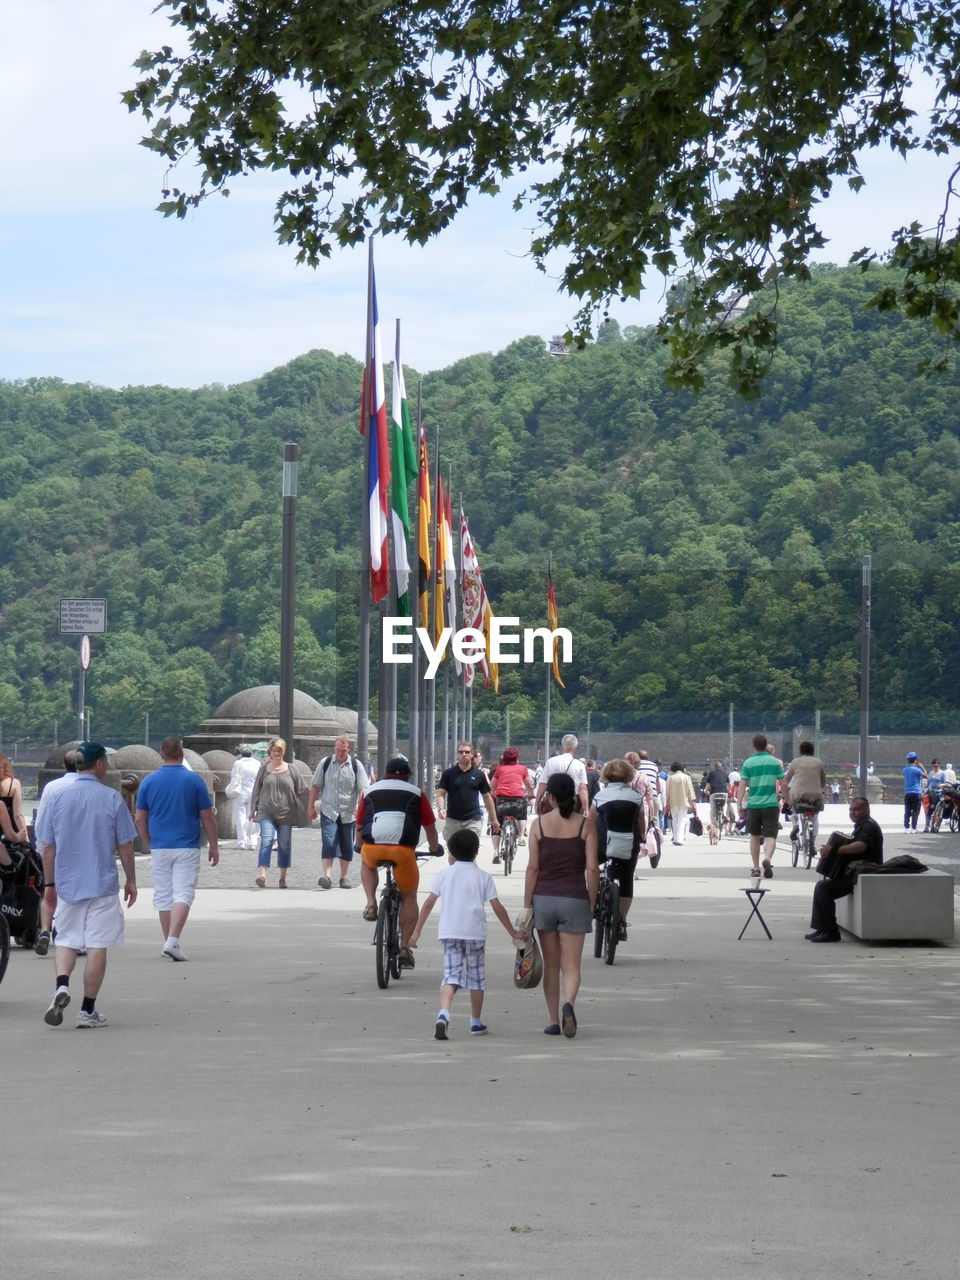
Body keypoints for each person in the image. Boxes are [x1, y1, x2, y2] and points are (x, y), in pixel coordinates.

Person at [35, 741, 138, 1029]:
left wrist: (50, 882)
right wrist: (131, 879)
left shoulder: (56, 797)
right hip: (101, 883)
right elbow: (125, 845)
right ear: (100, 764)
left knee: (66, 939)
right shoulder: (111, 798)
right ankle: (87, 1010)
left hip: (68, 882)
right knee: (96, 945)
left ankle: (61, 985)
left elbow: (46, 846)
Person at [409, 828, 525, 1039]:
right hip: (474, 934)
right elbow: (498, 907)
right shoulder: (483, 877)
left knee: (450, 976)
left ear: (451, 853)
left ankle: (443, 1013)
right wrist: (512, 932)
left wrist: (416, 932)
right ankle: (475, 1022)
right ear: (475, 853)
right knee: (476, 979)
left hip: (450, 933)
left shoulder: (443, 875)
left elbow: (427, 904)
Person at [524, 772, 598, 1039]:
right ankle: (570, 1003)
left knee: (552, 965)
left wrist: (526, 905)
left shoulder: (539, 825)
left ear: (550, 797)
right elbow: (591, 868)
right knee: (572, 966)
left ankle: (553, 1020)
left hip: (544, 899)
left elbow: (533, 868)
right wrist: (591, 900)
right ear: (575, 795)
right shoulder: (585, 825)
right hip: (574, 898)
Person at [134, 735, 220, 961]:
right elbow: (207, 817)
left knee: (163, 896)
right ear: (182, 753)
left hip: (160, 845)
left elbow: (139, 818)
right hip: (186, 845)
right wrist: (213, 845)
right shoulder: (194, 781)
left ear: (161, 754)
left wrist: (149, 841)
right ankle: (172, 941)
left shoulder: (149, 782)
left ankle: (169, 942)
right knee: (183, 893)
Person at [357, 755, 442, 969]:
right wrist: (434, 849)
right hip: (403, 851)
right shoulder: (416, 793)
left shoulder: (368, 791)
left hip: (373, 847)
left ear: (384, 772)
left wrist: (359, 846)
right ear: (408, 775)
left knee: (366, 862)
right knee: (409, 896)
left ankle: (370, 903)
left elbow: (359, 825)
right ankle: (405, 947)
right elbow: (430, 827)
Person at [806, 796, 883, 942]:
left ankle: (831, 932)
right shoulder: (861, 825)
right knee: (822, 885)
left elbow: (860, 846)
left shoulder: (869, 826)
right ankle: (822, 928)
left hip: (865, 874)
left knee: (824, 888)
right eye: (851, 809)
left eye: (856, 809)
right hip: (857, 872)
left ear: (867, 810)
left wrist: (834, 850)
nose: (853, 812)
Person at [591, 759, 646, 940]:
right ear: (629, 776)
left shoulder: (601, 796)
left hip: (602, 845)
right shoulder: (636, 797)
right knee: (627, 879)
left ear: (606, 775)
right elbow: (641, 822)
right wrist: (643, 838)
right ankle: (621, 921)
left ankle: (591, 905)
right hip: (628, 845)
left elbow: (590, 821)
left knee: (591, 868)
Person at [32, 748, 80, 955]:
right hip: (76, 849)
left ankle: (44, 929)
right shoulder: (85, 787)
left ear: (63, 766)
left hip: (50, 847)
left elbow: (41, 820)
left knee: (49, 889)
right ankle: (67, 934)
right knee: (73, 894)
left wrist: (40, 846)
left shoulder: (52, 786)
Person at [307, 736, 367, 888]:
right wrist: (310, 806)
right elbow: (315, 785)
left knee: (347, 844)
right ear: (334, 748)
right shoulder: (325, 763)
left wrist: (360, 806)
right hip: (329, 809)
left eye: (344, 750)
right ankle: (327, 876)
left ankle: (344, 877)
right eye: (338, 749)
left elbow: (362, 788)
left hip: (349, 812)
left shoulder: (355, 765)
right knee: (329, 841)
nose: (340, 753)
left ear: (349, 749)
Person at [248, 736, 306, 888]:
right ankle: (262, 874)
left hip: (286, 812)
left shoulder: (292, 769)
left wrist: (309, 806)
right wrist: (252, 809)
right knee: (266, 840)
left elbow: (302, 789)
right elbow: (256, 790)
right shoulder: (263, 770)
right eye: (274, 751)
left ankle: (282, 877)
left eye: (279, 751)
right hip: (266, 810)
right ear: (270, 752)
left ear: (283, 752)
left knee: (284, 844)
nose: (276, 754)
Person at [737, 733, 787, 881]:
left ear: (753, 746)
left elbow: (742, 784)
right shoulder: (774, 762)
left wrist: (739, 803)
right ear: (766, 746)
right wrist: (787, 798)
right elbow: (783, 783)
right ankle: (768, 859)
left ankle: (756, 868)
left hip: (753, 804)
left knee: (754, 836)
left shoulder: (748, 763)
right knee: (770, 835)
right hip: (771, 804)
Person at [435, 741, 499, 844]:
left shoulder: (479, 774)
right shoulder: (448, 774)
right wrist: (441, 808)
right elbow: (440, 794)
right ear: (457, 754)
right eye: (461, 752)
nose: (464, 754)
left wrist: (494, 819)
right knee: (453, 854)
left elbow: (487, 797)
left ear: (471, 754)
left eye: (467, 752)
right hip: (453, 820)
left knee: (470, 851)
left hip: (473, 820)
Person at [488, 747, 533, 862]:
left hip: (501, 799)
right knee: (522, 815)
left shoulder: (499, 769)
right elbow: (529, 785)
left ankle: (495, 851)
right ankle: (522, 836)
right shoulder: (522, 769)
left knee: (497, 823)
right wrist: (530, 794)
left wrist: (493, 795)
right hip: (518, 798)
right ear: (517, 758)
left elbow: (492, 786)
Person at [784, 740, 827, 843]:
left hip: (798, 795)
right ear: (812, 751)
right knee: (815, 818)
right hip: (816, 796)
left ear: (800, 751)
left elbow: (786, 780)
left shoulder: (795, 762)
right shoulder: (818, 763)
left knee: (789, 808)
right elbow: (823, 782)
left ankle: (795, 825)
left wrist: (783, 793)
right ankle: (812, 843)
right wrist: (823, 794)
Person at [535, 733, 589, 814]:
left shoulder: (551, 761)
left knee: (552, 825)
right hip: (573, 802)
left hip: (553, 800)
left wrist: (537, 801)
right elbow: (582, 788)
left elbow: (543, 784)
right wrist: (586, 807)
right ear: (575, 747)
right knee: (573, 825)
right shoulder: (580, 765)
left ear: (563, 745)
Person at [226, 745, 261, 848]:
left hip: (240, 791)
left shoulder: (238, 763)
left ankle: (242, 841)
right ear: (252, 753)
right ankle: (253, 842)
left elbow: (233, 776)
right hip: (253, 791)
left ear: (241, 754)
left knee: (240, 817)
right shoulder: (257, 763)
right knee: (252, 816)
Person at [664, 761, 697, 846]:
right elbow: (690, 791)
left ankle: (675, 838)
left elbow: (667, 792)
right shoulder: (686, 777)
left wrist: (666, 803)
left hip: (673, 801)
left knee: (675, 819)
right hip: (684, 801)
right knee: (682, 819)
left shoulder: (670, 778)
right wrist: (692, 802)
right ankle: (679, 839)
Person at [902, 751, 926, 831]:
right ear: (915, 760)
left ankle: (906, 827)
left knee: (907, 810)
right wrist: (921, 767)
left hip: (907, 792)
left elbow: (908, 771)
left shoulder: (905, 770)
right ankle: (913, 827)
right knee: (916, 811)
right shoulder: (917, 770)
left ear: (908, 760)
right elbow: (925, 775)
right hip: (916, 792)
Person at [704, 760, 730, 832]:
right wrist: (728, 791)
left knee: (713, 810)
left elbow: (708, 784)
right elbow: (728, 785)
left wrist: (706, 790)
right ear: (721, 767)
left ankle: (713, 827)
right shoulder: (725, 773)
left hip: (714, 793)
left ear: (714, 767)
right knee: (724, 807)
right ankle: (725, 824)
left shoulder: (711, 773)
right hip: (724, 793)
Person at [922, 758, 945, 832]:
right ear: (932, 766)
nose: (935, 767)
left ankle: (935, 823)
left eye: (936, 766)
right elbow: (928, 783)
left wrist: (941, 784)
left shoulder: (942, 773)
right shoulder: (931, 773)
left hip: (938, 792)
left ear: (939, 766)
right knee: (927, 809)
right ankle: (926, 826)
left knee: (936, 808)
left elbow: (946, 783)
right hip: (930, 792)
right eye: (934, 766)